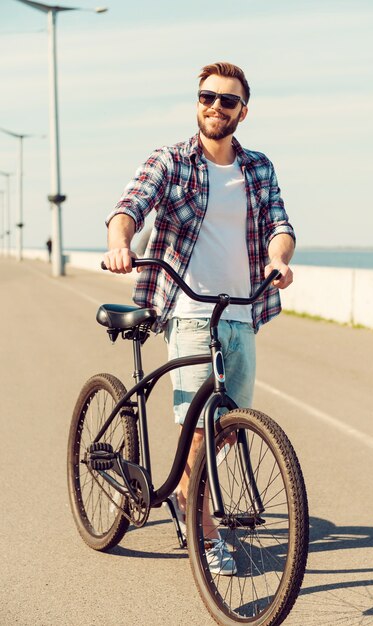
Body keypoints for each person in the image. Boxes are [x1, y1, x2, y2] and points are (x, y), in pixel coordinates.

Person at [104, 61, 295, 575]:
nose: (215, 105)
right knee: (198, 428)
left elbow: (279, 222)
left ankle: (185, 494)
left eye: (227, 100)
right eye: (207, 96)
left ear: (243, 111)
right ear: (198, 103)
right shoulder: (171, 160)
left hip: (242, 311)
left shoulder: (257, 166)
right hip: (188, 307)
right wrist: (120, 244)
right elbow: (130, 205)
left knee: (229, 427)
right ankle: (204, 533)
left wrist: (280, 259)